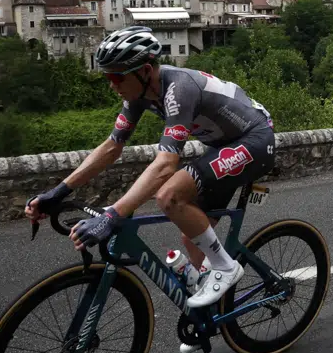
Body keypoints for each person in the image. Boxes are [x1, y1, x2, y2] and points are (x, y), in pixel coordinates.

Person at [25, 26, 277, 320]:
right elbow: (110, 148)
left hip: (255, 140)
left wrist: (113, 214)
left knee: (169, 196)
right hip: (224, 145)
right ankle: (207, 316)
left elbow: (165, 165)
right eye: (107, 76)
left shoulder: (178, 89)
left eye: (117, 76)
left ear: (145, 71)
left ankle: (225, 266)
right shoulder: (140, 95)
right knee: (192, 237)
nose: (111, 84)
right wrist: (57, 193)